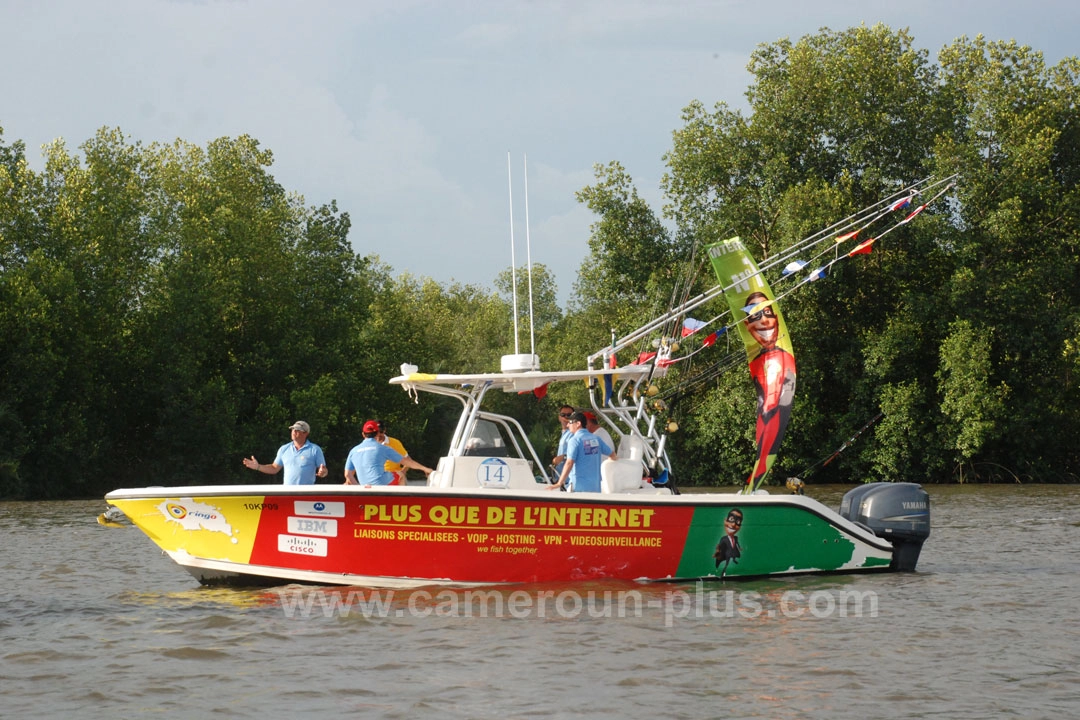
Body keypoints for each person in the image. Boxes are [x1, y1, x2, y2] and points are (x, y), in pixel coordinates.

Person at [743, 291, 797, 488]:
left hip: (770, 437)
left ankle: (754, 484)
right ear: (747, 326)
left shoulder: (785, 361)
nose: (764, 321)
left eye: (767, 313)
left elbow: (777, 406)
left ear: (776, 319)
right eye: (755, 316)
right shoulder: (756, 361)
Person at [344, 420, 433, 485]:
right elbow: (406, 461)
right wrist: (425, 469)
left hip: (364, 485)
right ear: (377, 433)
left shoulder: (353, 450)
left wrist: (358, 488)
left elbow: (348, 474)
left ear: (363, 434)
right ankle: (399, 502)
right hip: (382, 482)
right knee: (400, 474)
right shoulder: (383, 448)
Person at [243, 420, 328, 485]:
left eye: (298, 430)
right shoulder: (284, 449)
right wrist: (258, 467)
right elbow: (274, 468)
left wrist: (323, 472)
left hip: (306, 494)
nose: (294, 432)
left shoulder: (315, 449)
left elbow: (324, 471)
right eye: (293, 429)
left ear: (306, 433)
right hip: (288, 493)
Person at [549, 411, 615, 493]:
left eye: (570, 422)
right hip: (595, 488)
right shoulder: (596, 439)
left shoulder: (574, 440)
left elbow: (569, 462)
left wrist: (559, 483)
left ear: (578, 424)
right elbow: (613, 455)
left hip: (579, 489)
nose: (568, 425)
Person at [375, 420, 411, 485]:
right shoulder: (368, 445)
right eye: (376, 432)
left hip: (394, 475)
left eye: (381, 431)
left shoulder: (395, 442)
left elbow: (408, 460)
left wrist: (403, 472)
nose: (378, 434)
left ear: (384, 430)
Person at [713, 508, 743, 576]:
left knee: (733, 558)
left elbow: (737, 543)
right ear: (725, 520)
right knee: (726, 562)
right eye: (731, 519)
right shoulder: (724, 539)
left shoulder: (735, 538)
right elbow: (721, 546)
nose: (733, 525)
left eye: (737, 522)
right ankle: (722, 572)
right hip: (726, 554)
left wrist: (739, 548)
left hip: (732, 553)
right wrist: (718, 551)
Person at [549, 404, 575, 480]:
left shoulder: (574, 433)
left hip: (569, 480)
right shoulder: (564, 433)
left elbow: (577, 453)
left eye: (569, 415)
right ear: (559, 417)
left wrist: (563, 457)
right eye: (563, 414)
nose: (566, 417)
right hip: (560, 478)